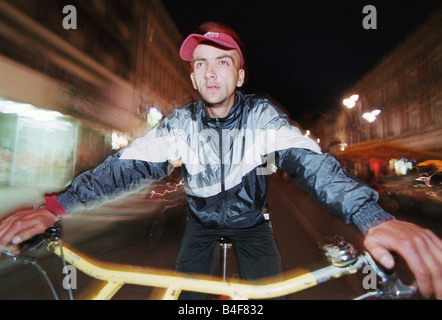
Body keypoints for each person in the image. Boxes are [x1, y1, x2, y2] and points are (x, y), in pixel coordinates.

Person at [0, 22, 441, 300]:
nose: (211, 72)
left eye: (223, 62)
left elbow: (312, 164)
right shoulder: (180, 125)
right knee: (189, 299)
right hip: (200, 225)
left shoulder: (263, 116)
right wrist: (55, 207)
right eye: (201, 64)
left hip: (252, 226)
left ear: (240, 75)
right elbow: (125, 165)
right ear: (193, 76)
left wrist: (372, 216)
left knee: (266, 298)